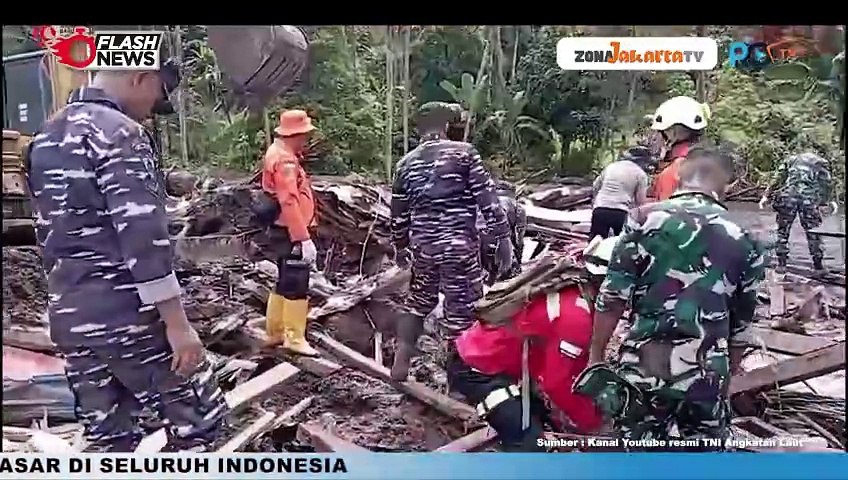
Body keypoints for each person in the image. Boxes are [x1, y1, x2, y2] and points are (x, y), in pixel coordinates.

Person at [25, 61, 227, 452]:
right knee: (200, 427)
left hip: (70, 320)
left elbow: (48, 233)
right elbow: (143, 238)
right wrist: (177, 326)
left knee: (110, 444)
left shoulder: (45, 136)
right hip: (131, 319)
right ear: (141, 77)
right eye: (157, 96)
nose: (153, 109)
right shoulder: (121, 133)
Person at [575, 146, 766, 450]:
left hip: (644, 370)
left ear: (678, 174)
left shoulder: (642, 220)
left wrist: (595, 357)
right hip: (706, 373)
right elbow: (742, 326)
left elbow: (612, 298)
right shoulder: (747, 237)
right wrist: (723, 378)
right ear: (727, 184)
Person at [447, 239, 614, 451]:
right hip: (479, 371)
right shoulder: (576, 316)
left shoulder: (571, 288)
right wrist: (593, 424)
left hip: (494, 360)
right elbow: (556, 382)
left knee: (546, 420)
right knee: (531, 446)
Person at [390, 101, 511, 381]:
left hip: (424, 248)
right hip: (459, 247)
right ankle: (459, 380)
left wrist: (400, 247)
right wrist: (502, 238)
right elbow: (489, 201)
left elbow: (398, 215)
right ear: (446, 125)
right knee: (462, 313)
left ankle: (401, 362)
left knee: (418, 302)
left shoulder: (405, 164)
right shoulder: (465, 153)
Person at [261, 109, 320, 356]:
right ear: (295, 134)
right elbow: (288, 200)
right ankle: (294, 338)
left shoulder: (277, 152)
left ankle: (274, 332)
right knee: (296, 281)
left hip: (280, 228)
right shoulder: (285, 160)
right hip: (289, 229)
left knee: (284, 279)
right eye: (304, 134)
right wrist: (303, 238)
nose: (306, 139)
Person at [758, 146, 836, 274]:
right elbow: (826, 184)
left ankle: (781, 265)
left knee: (783, 231)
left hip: (788, 197)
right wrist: (825, 202)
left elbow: (777, 178)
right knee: (813, 232)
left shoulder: (791, 160)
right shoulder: (821, 162)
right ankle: (818, 266)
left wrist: (766, 196)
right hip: (809, 200)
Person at [647, 96, 710, 201]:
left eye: (664, 131)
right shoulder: (705, 162)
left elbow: (665, 208)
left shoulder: (675, 169)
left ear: (673, 132)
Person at [590, 146, 651, 238]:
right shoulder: (640, 174)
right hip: (620, 212)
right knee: (622, 244)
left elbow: (595, 187)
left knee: (595, 243)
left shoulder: (611, 167)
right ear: (643, 161)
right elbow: (640, 202)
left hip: (600, 208)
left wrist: (595, 203)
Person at [480, 180, 527, 285]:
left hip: (480, 240)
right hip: (502, 241)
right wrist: (519, 259)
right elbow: (519, 234)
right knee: (507, 277)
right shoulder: (517, 206)